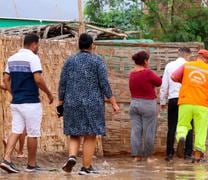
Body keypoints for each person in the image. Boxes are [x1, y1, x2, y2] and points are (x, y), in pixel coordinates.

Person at [59, 33, 120, 175]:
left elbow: (62, 83)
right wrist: (114, 103)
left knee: (74, 132)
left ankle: (72, 156)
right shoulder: (97, 61)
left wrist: (60, 102)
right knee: (90, 134)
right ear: (92, 45)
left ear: (78, 44)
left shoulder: (69, 61)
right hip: (92, 104)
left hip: (71, 102)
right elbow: (104, 84)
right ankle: (86, 167)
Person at [0, 34, 54, 173]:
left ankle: (6, 159)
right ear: (34, 44)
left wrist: (13, 93)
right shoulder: (33, 58)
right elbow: (38, 79)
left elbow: (6, 79)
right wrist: (48, 93)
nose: (38, 48)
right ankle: (31, 165)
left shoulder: (11, 59)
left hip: (16, 102)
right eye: (38, 45)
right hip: (30, 102)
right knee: (32, 133)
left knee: (16, 130)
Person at [171, 49, 208, 162]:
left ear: (198, 56)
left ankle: (182, 136)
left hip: (186, 101)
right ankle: (197, 156)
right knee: (200, 130)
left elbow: (173, 77)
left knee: (183, 124)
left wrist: (186, 82)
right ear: (207, 59)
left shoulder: (187, 66)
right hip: (202, 104)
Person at [160, 47, 193, 161]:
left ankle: (169, 154)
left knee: (172, 126)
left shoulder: (169, 66)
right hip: (187, 100)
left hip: (173, 99)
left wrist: (163, 101)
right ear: (188, 55)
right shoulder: (190, 66)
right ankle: (188, 154)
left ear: (178, 54)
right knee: (188, 126)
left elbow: (164, 85)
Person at [129, 51, 162, 163]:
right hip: (147, 104)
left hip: (134, 104)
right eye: (148, 60)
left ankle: (136, 156)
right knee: (149, 131)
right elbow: (159, 82)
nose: (149, 62)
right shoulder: (148, 73)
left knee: (136, 131)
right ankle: (149, 156)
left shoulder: (132, 73)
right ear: (145, 61)